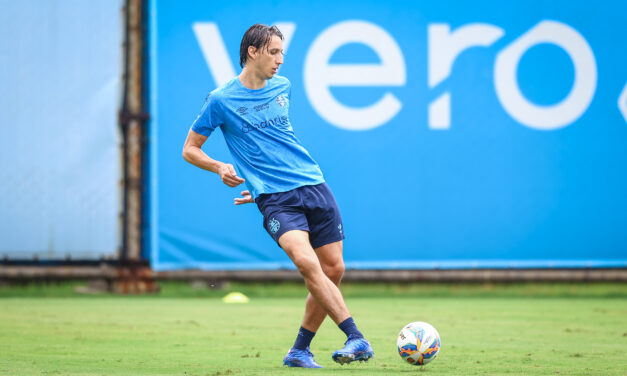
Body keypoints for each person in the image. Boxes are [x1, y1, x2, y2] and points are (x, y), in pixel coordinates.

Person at [182, 23, 373, 368]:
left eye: (282, 52)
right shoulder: (221, 100)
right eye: (273, 52)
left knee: (333, 268)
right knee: (306, 262)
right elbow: (190, 149)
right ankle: (355, 336)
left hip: (314, 184)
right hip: (276, 200)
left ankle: (300, 350)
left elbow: (275, 147)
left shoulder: (282, 86)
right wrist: (219, 167)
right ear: (252, 52)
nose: (280, 60)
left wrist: (255, 182)